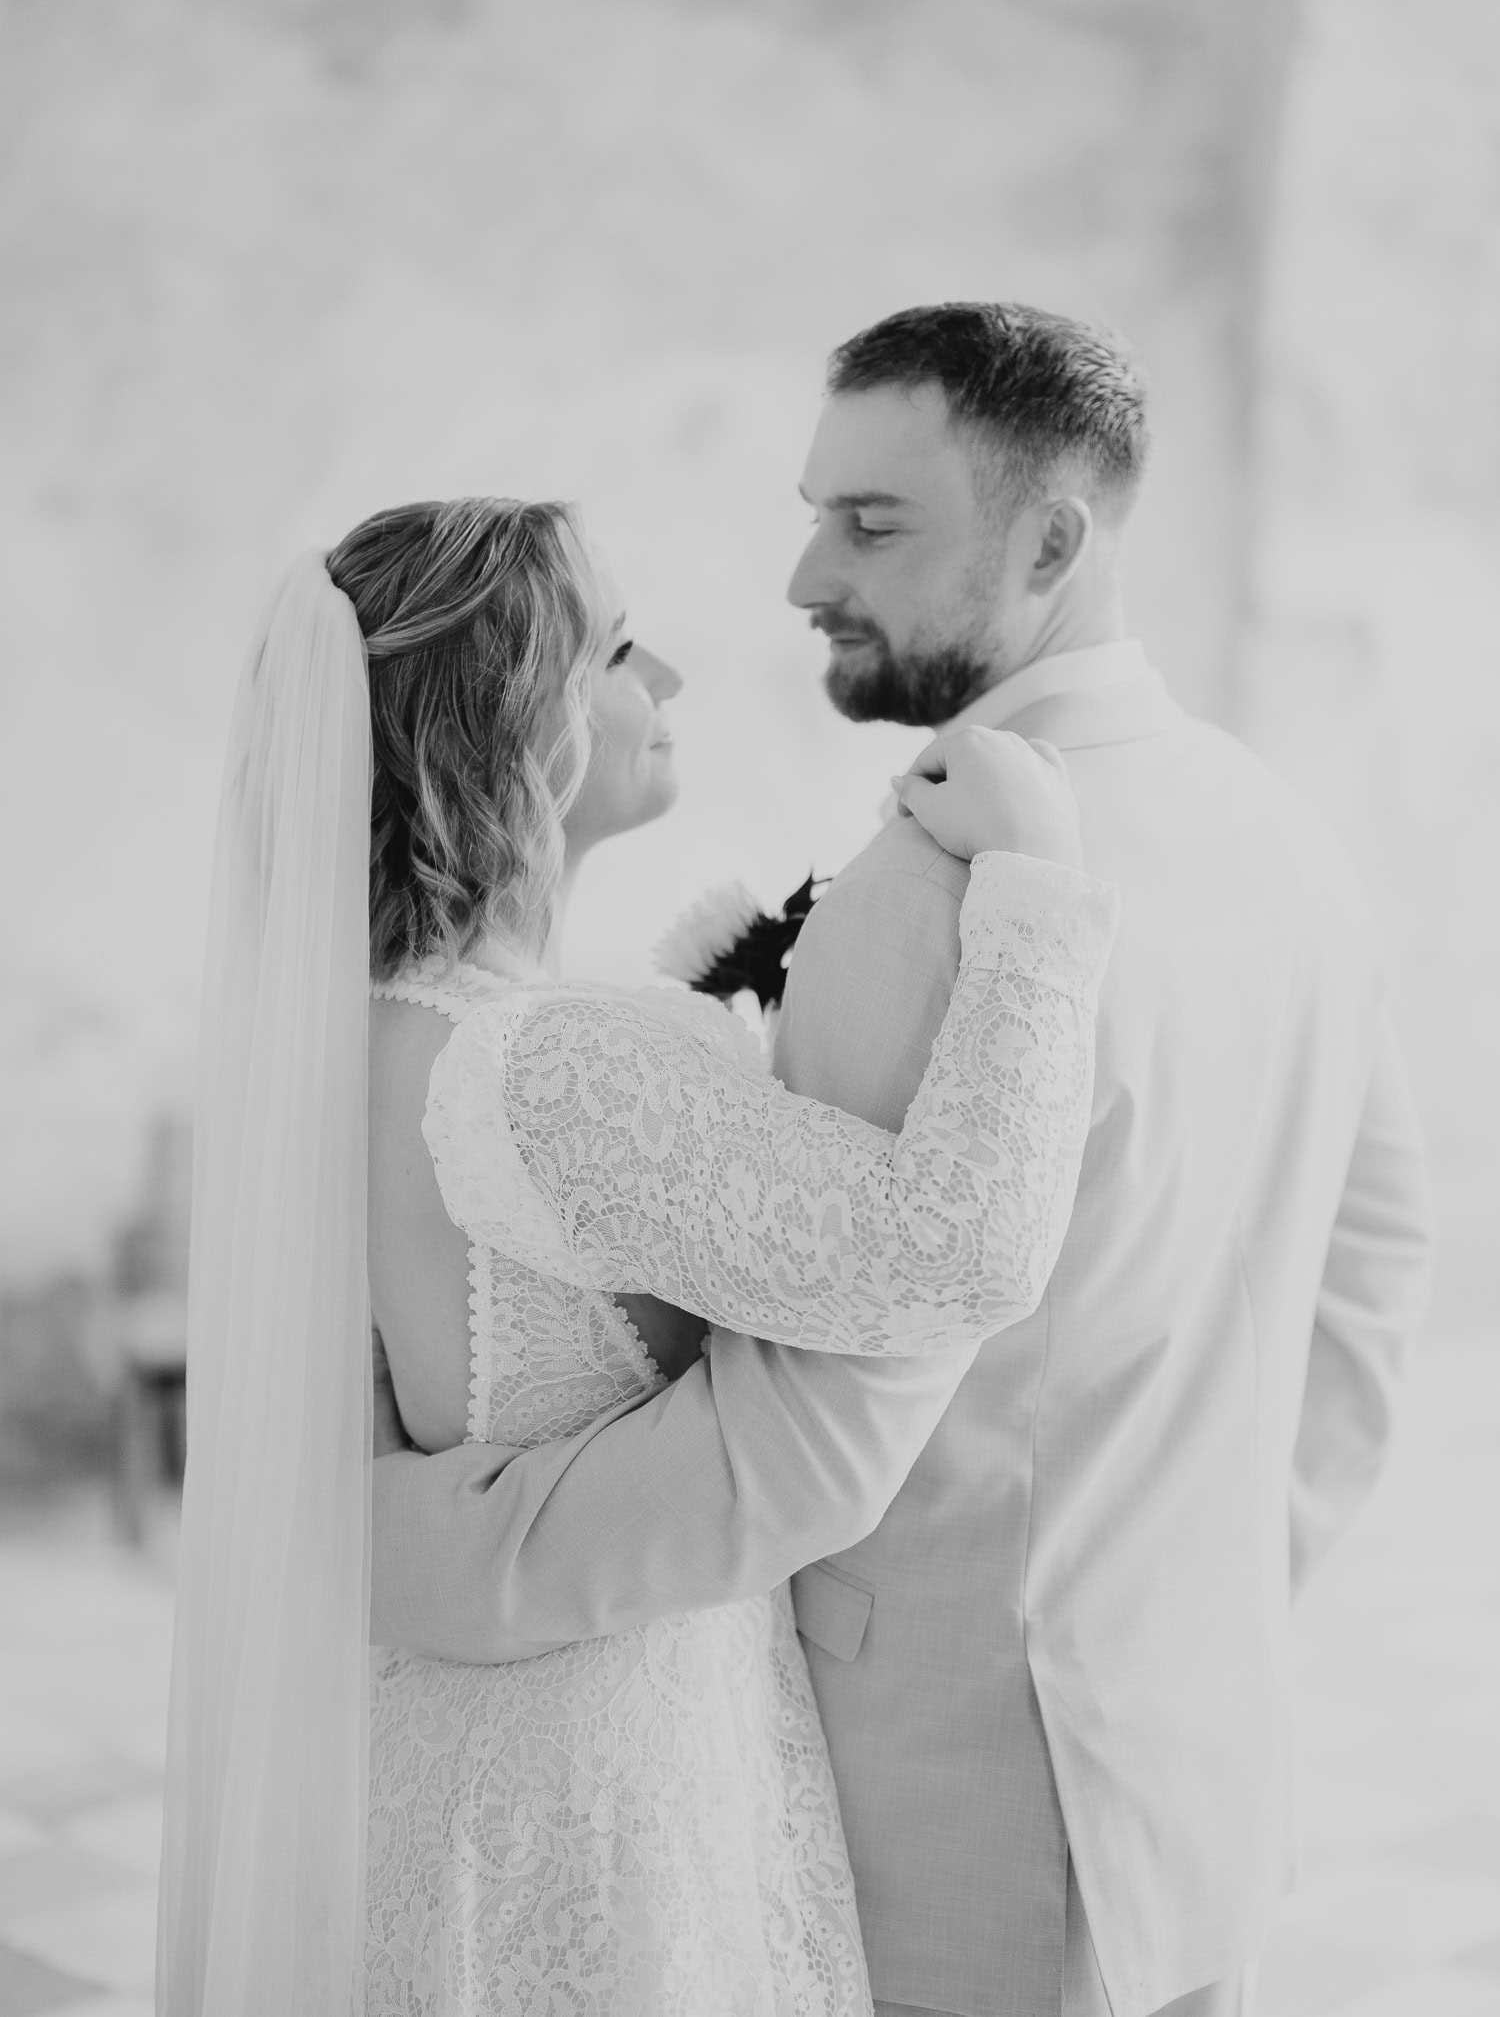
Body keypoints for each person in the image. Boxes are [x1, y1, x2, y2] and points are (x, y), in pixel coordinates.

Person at [368, 307, 1433, 2017]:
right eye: (815, 509)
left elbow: (812, 1415)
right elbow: (1377, 1273)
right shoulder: (1280, 829)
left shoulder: (929, 891)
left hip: (956, 1780)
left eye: (871, 524)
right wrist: (1196, 1577)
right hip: (1198, 1765)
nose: (801, 573)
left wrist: (415, 1546)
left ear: (1053, 541)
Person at [156, 492, 1120, 2017]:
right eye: (612, 646)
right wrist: (1043, 891)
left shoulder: (348, 1036)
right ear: (510, 723)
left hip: (429, 1749)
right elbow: (952, 1253)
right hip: (601, 1772)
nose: (663, 675)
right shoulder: (539, 1066)